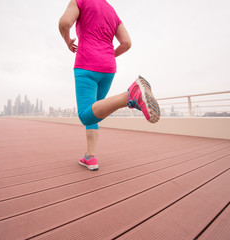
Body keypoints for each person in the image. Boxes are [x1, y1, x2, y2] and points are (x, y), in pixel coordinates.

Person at [59, 0, 160, 171]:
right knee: (96, 110)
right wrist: (107, 54)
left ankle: (128, 96)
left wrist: (68, 40)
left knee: (85, 115)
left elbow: (64, 23)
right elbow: (127, 43)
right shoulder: (111, 11)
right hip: (108, 67)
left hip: (86, 63)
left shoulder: (81, 1)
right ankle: (90, 157)